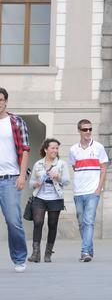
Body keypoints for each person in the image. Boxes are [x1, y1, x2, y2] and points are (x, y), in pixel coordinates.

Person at [68, 119, 108, 262]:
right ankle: (89, 249)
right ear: (79, 130)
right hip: (78, 191)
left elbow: (104, 168)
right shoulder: (73, 149)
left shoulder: (98, 147)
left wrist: (98, 188)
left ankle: (84, 252)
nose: (88, 132)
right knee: (81, 222)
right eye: (85, 129)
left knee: (89, 221)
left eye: (90, 129)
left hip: (93, 191)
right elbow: (74, 167)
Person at [0, 87, 30, 272]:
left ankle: (19, 258)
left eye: (0, 99)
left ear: (5, 101)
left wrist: (22, 175)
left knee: (13, 220)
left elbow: (25, 149)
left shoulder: (16, 121)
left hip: (10, 179)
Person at [28, 139, 70, 263]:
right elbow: (30, 183)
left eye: (57, 148)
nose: (55, 151)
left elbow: (67, 181)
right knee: (38, 223)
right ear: (46, 149)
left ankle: (48, 253)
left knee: (52, 225)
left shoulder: (61, 164)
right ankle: (36, 254)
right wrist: (36, 183)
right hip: (39, 197)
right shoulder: (38, 164)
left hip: (55, 198)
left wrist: (57, 177)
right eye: (53, 148)